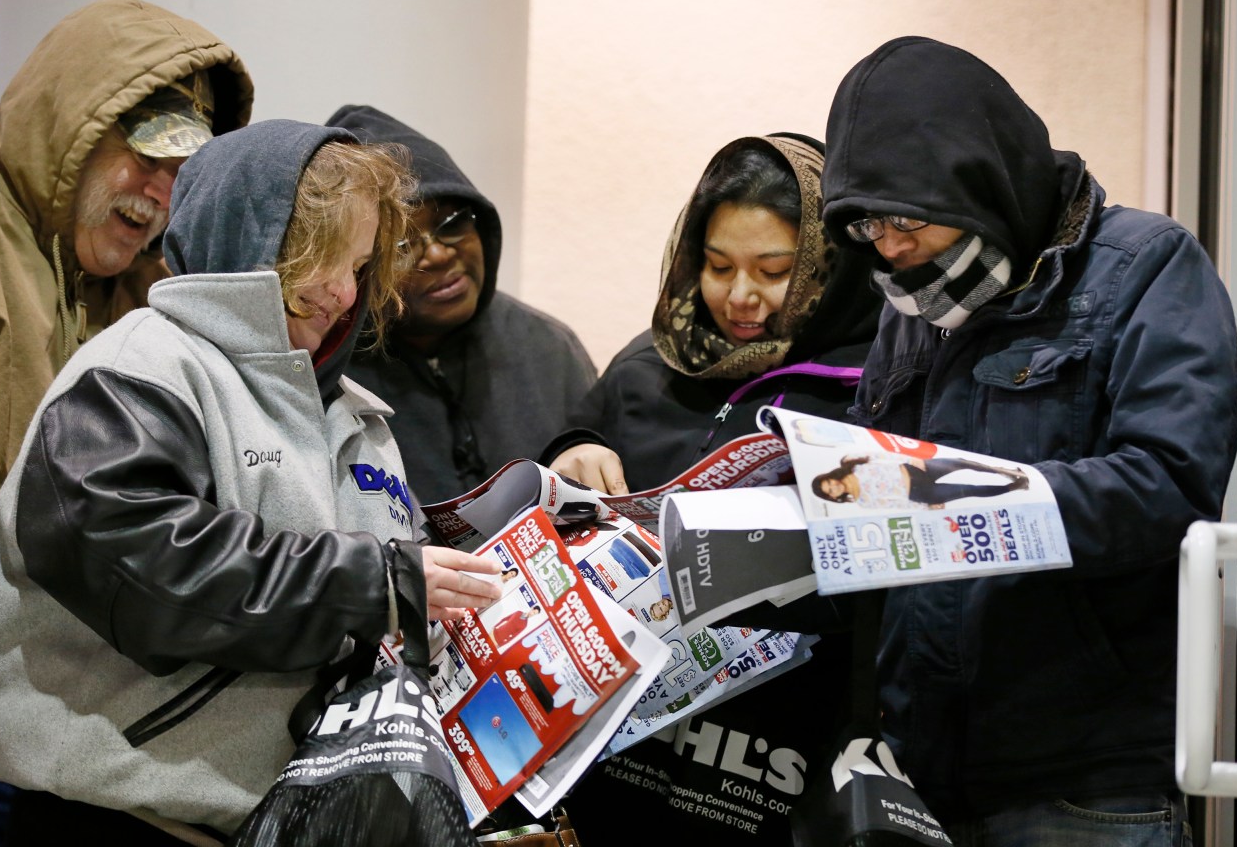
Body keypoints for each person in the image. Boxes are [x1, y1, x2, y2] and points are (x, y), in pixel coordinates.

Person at [0, 120, 503, 844]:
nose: (342, 292)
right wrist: (374, 585)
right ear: (248, 247)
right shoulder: (139, 369)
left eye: (357, 265)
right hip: (123, 816)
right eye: (319, 258)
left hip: (280, 821)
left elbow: (371, 602)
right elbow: (148, 567)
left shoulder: (351, 412)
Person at [820, 36, 1237, 846]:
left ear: (981, 182)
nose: (890, 248)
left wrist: (958, 499)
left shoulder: (1145, 267)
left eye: (906, 217)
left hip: (1082, 774)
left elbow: (1170, 486)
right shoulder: (912, 305)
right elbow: (876, 498)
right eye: (866, 223)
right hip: (918, 764)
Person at [0, 0, 252, 847]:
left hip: (39, 745)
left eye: (189, 169)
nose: (161, 190)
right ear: (71, 127)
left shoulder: (126, 308)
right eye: (146, 150)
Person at [549, 133, 882, 843]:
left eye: (774, 270)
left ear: (828, 265)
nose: (740, 297)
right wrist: (576, 451)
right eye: (717, 265)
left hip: (787, 745)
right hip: (636, 740)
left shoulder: (877, 380)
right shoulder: (655, 357)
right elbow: (579, 443)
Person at [326, 105, 597, 503]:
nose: (436, 255)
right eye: (401, 243)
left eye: (451, 223)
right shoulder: (334, 371)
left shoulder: (549, 347)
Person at [813, 454, 1029, 508]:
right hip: (919, 494)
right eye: (829, 491)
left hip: (916, 468)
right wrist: (927, 507)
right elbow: (896, 505)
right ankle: (1014, 486)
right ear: (833, 497)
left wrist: (910, 458)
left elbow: (882, 456)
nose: (833, 486)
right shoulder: (862, 501)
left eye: (829, 483)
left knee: (960, 462)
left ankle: (1006, 471)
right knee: (969, 490)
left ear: (830, 477)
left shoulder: (853, 465)